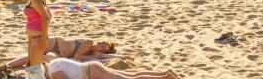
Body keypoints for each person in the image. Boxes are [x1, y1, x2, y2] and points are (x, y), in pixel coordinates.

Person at [19, 0, 52, 76]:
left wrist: (42, 38)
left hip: (38, 38)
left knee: (34, 71)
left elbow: (46, 18)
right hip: (34, 38)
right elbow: (50, 15)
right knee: (33, 69)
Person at [8, 38, 118, 68]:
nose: (101, 49)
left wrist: (121, 56)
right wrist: (96, 55)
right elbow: (77, 56)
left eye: (103, 50)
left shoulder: (92, 54)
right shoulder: (89, 42)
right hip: (56, 43)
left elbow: (107, 56)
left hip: (59, 55)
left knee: (39, 58)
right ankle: (5, 66)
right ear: (100, 43)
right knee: (33, 55)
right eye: (102, 46)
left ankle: (6, 66)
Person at [45, 58, 180, 79]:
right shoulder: (54, 62)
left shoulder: (52, 69)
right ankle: (165, 72)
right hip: (91, 67)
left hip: (92, 72)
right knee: (132, 76)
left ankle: (166, 77)